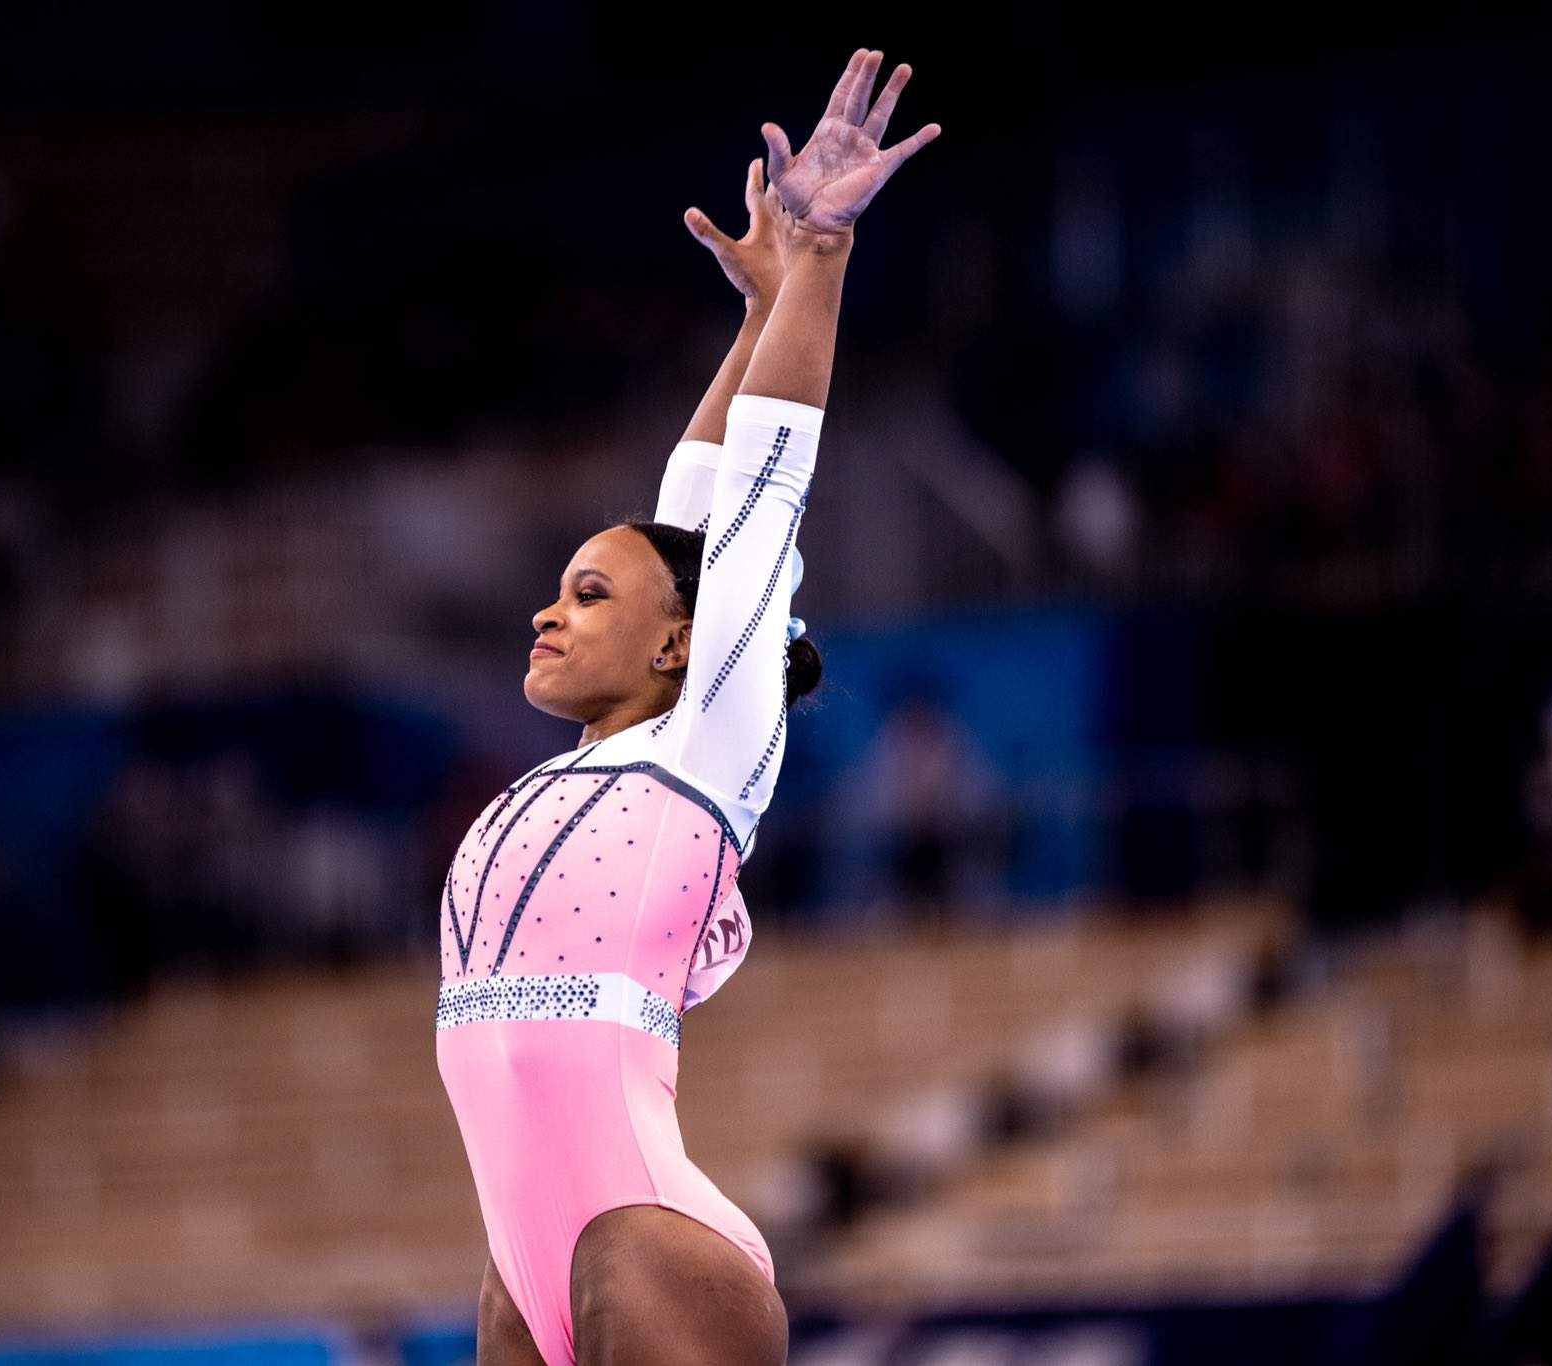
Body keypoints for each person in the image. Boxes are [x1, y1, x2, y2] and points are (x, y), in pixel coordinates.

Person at [433, 49, 938, 1365]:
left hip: (639, 1236)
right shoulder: (585, 768)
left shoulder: (705, 751)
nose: (549, 611)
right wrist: (754, 310)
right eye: (557, 587)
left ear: (676, 642)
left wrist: (818, 259)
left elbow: (757, 489)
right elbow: (690, 497)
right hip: (520, 1261)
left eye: (588, 593)